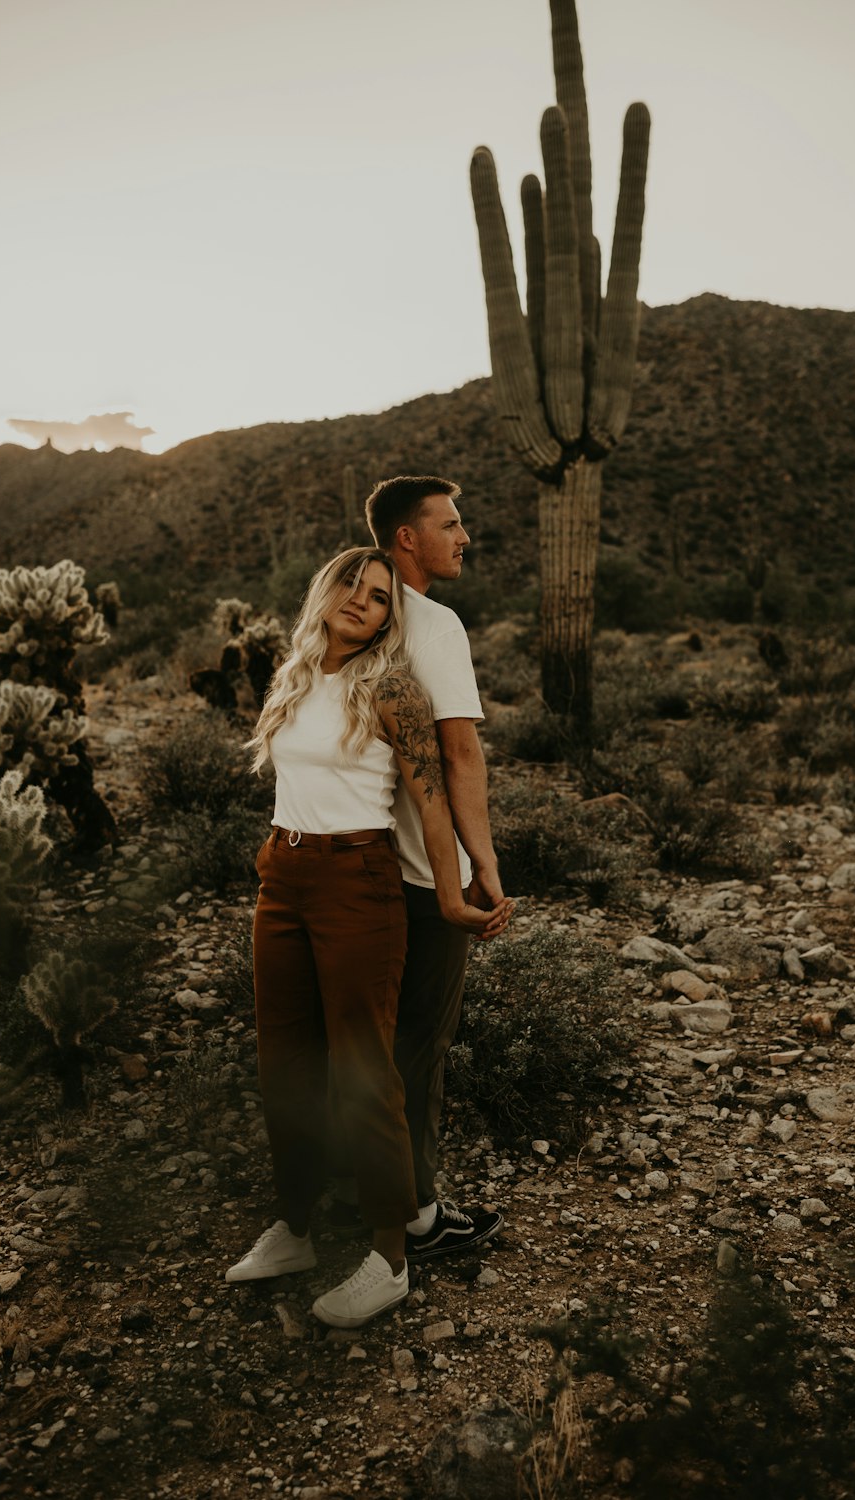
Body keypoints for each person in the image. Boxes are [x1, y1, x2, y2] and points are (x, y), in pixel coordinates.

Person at [224, 547, 512, 1328]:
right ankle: (295, 1227)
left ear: (390, 617)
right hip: (282, 879)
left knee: (363, 1066)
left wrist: (453, 897)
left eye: (381, 597)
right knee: (284, 1057)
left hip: (359, 883)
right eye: (352, 584)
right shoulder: (293, 676)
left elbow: (432, 803)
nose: (362, 601)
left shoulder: (390, 689)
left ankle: (389, 1258)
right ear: (325, 589)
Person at [356, 474, 510, 1262]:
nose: (464, 537)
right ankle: (416, 1215)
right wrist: (484, 866)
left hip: (349, 865)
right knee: (420, 1044)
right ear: (405, 538)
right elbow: (459, 753)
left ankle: (356, 1197)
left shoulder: (346, 619)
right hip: (422, 872)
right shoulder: (435, 624)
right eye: (449, 524)